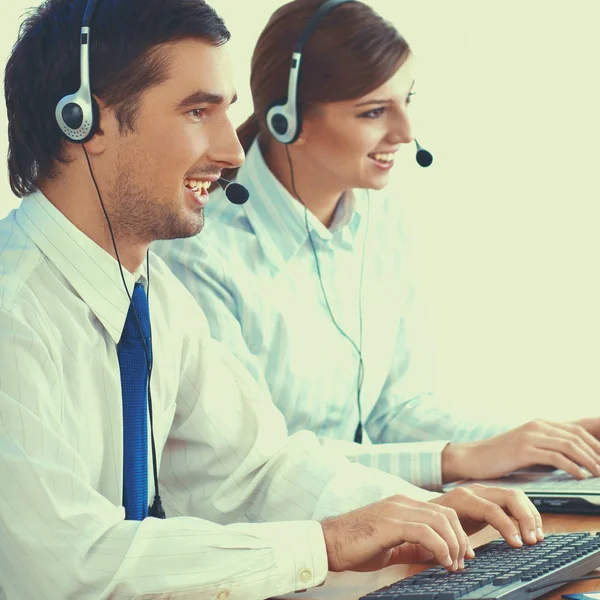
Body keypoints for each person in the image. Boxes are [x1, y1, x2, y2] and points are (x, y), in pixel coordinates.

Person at [0, 0, 546, 598]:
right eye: (196, 111)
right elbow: (62, 565)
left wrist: (419, 511)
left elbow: (255, 470)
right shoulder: (14, 313)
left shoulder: (159, 300)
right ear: (85, 121)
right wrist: (324, 542)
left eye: (224, 111)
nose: (234, 151)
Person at [154, 0, 600, 492]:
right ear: (287, 119)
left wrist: (547, 442)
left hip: (374, 515)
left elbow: (397, 410)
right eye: (373, 112)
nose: (406, 134)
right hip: (272, 538)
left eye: (406, 101)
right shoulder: (196, 254)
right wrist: (458, 459)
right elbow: (264, 461)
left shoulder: (378, 219)